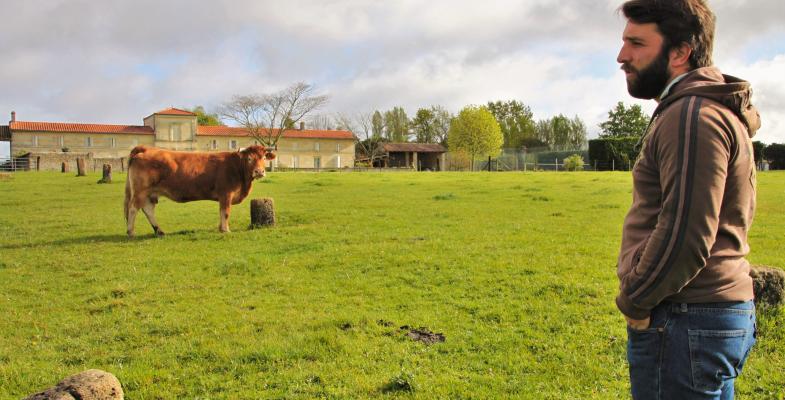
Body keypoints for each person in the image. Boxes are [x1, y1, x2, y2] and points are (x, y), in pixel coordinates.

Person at [614, 1, 760, 398]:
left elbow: (687, 234)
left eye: (636, 43)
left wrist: (635, 301)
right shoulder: (704, 110)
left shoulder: (692, 116)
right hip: (706, 317)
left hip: (684, 317)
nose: (622, 56)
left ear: (680, 52)